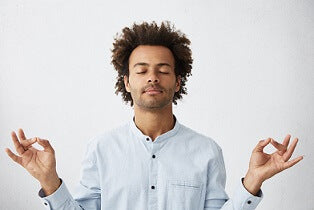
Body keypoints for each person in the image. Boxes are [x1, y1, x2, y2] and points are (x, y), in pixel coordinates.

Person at [5, 21, 303, 210]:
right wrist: (49, 181)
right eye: (142, 70)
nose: (152, 78)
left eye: (163, 70)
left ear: (177, 81)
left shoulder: (207, 151)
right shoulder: (101, 148)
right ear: (126, 82)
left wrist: (252, 180)